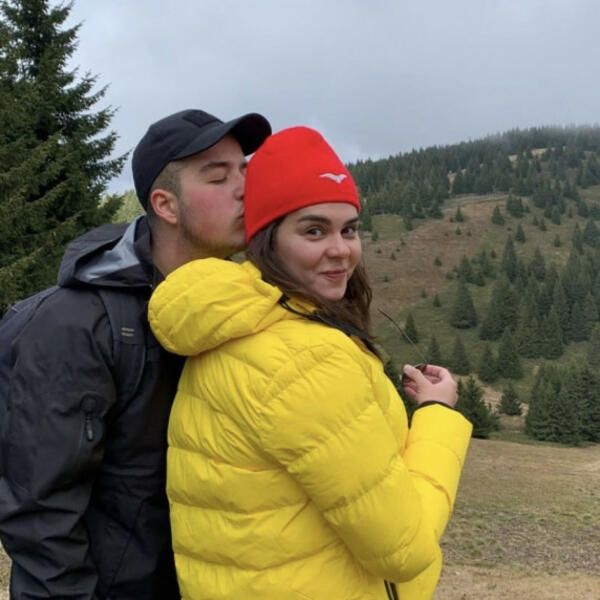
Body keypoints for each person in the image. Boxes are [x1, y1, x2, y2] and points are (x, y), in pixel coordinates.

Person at [148, 126, 473, 600]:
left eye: (349, 229)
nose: (341, 250)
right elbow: (404, 548)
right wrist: (437, 415)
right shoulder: (303, 360)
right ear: (267, 240)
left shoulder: (241, 325)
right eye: (313, 230)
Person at [0, 108, 271, 599]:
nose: (244, 189)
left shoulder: (237, 311)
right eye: (218, 177)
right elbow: (43, 518)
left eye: (246, 172)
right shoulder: (76, 325)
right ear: (166, 205)